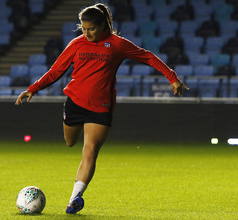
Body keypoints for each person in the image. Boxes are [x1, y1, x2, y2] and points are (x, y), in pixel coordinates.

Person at [15, 3, 189, 214]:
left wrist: (172, 77)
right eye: (83, 28)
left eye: (91, 29)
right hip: (75, 103)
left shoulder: (117, 44)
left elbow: (148, 57)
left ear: (103, 25)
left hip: (101, 107)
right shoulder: (76, 44)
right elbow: (56, 70)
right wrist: (33, 89)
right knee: (70, 142)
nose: (87, 33)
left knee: (89, 151)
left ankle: (74, 199)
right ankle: (75, 192)